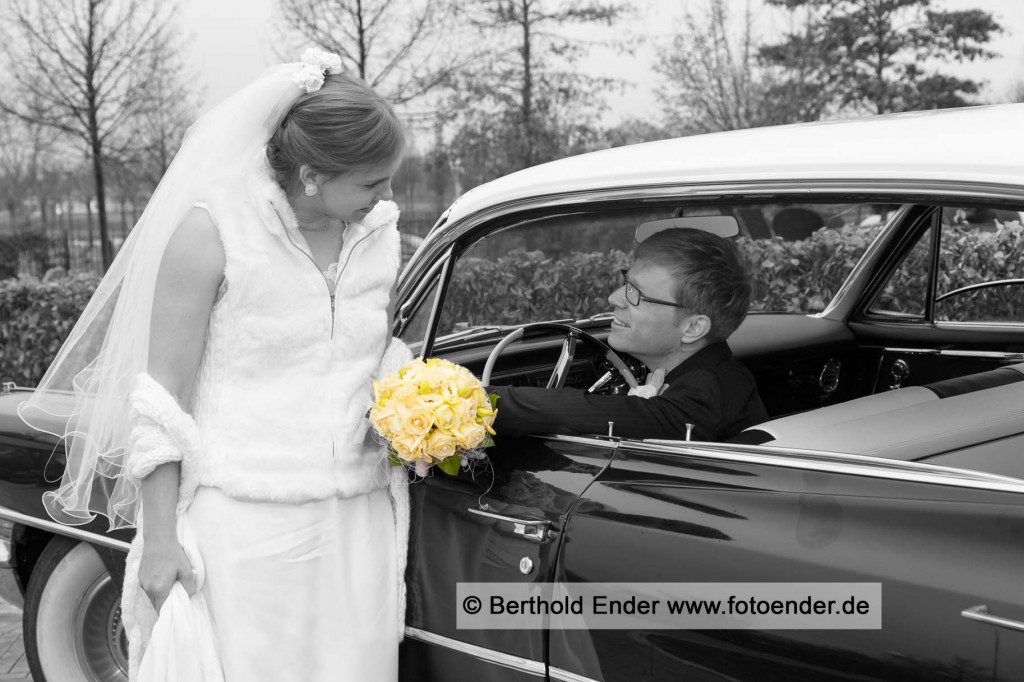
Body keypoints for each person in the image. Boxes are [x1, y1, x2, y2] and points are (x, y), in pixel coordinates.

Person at [19, 50, 411, 681]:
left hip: (356, 525)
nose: (388, 197)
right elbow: (159, 397)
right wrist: (163, 540)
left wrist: (418, 400)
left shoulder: (381, 239)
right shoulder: (211, 234)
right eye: (372, 183)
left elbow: (369, 354)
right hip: (243, 528)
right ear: (312, 174)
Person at [490, 227, 767, 442]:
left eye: (637, 294)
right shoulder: (719, 373)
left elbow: (585, 411)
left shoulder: (704, 397)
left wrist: (467, 401)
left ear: (693, 328)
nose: (614, 298)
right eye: (626, 283)